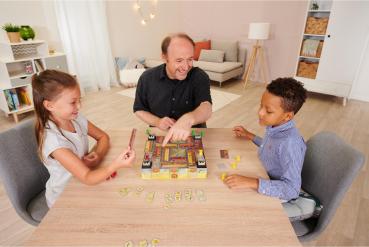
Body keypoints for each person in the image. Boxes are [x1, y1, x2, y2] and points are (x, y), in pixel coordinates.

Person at [32, 70, 136, 208]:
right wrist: (115, 165)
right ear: (49, 105)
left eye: (79, 100)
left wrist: (98, 155)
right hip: (64, 198)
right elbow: (87, 177)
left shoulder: (75, 118)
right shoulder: (54, 141)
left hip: (83, 181)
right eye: (73, 102)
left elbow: (103, 137)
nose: (79, 106)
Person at [224, 77, 307, 202]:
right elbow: (272, 147)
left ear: (288, 116)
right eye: (261, 106)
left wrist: (253, 182)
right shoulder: (275, 125)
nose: (260, 113)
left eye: (268, 111)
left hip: (276, 190)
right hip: (263, 173)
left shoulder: (290, 143)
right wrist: (250, 136)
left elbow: (292, 190)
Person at [133, 33, 212, 146]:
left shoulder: (199, 76)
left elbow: (207, 107)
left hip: (193, 135)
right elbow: (139, 109)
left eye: (190, 59)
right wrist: (157, 122)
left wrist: (188, 118)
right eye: (179, 61)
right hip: (160, 135)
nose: (186, 67)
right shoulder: (147, 78)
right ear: (165, 58)